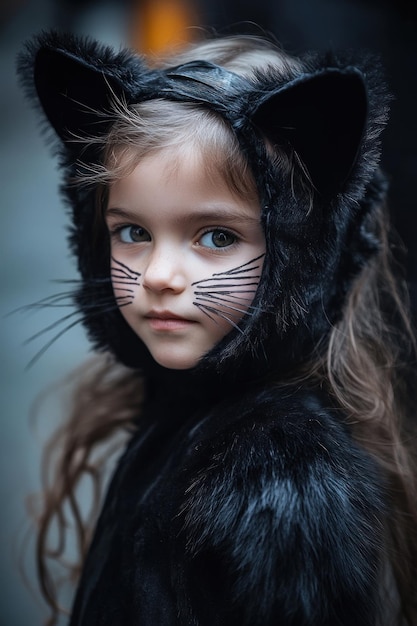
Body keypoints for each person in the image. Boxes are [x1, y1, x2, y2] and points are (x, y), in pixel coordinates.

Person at [18, 30, 417, 625]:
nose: (159, 274)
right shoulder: (180, 404)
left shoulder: (279, 478)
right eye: (133, 232)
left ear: (300, 254)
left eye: (217, 237)